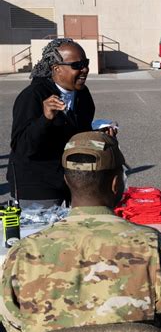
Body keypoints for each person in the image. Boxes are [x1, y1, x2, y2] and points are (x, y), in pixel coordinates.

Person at [0, 131, 161, 332]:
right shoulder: (152, 246)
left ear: (67, 180)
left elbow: (14, 326)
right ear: (116, 183)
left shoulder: (24, 252)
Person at [6, 38, 98, 209]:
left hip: (72, 182)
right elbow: (22, 147)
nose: (85, 69)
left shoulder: (82, 94)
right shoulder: (32, 96)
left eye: (86, 63)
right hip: (37, 186)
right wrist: (45, 119)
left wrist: (99, 135)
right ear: (56, 69)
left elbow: (80, 132)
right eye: (77, 65)